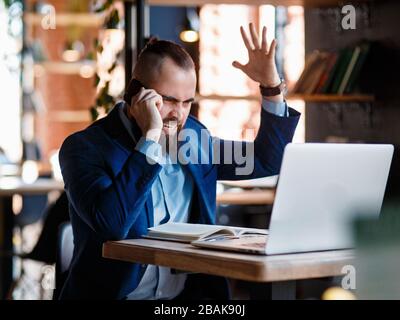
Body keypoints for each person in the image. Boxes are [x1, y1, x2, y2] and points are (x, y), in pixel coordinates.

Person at [58, 23, 300, 299]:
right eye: (170, 100)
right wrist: (149, 139)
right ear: (136, 95)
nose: (179, 114)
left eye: (187, 102)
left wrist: (270, 87)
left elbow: (266, 160)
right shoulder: (85, 148)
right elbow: (112, 225)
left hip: (185, 300)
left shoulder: (194, 139)